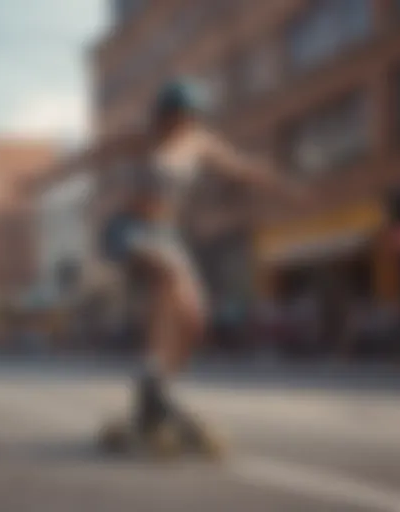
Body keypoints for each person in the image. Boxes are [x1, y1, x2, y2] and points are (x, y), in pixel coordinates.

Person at [70, 78, 310, 442]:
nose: (179, 127)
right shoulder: (140, 138)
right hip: (129, 227)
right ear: (161, 116)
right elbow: (90, 156)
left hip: (166, 234)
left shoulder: (200, 144)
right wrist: (39, 180)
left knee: (195, 318)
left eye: (187, 120)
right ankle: (152, 378)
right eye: (173, 119)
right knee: (168, 276)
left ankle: (157, 388)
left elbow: (244, 169)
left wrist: (286, 187)